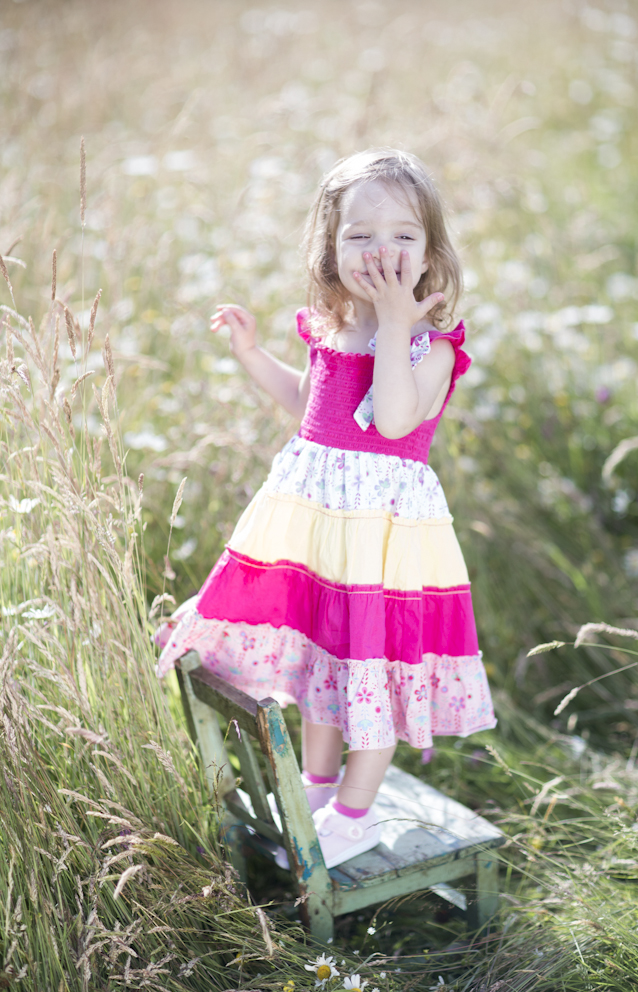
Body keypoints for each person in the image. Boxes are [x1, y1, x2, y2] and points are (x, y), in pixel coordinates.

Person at [157, 148, 496, 869]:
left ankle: (353, 815)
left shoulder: (432, 348)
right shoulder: (329, 329)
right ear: (330, 249)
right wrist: (251, 353)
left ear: (430, 254)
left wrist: (397, 324)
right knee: (323, 660)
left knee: (369, 663)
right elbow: (307, 405)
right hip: (317, 529)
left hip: (383, 539)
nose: (380, 251)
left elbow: (395, 420)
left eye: (402, 236)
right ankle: (314, 791)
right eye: (359, 235)